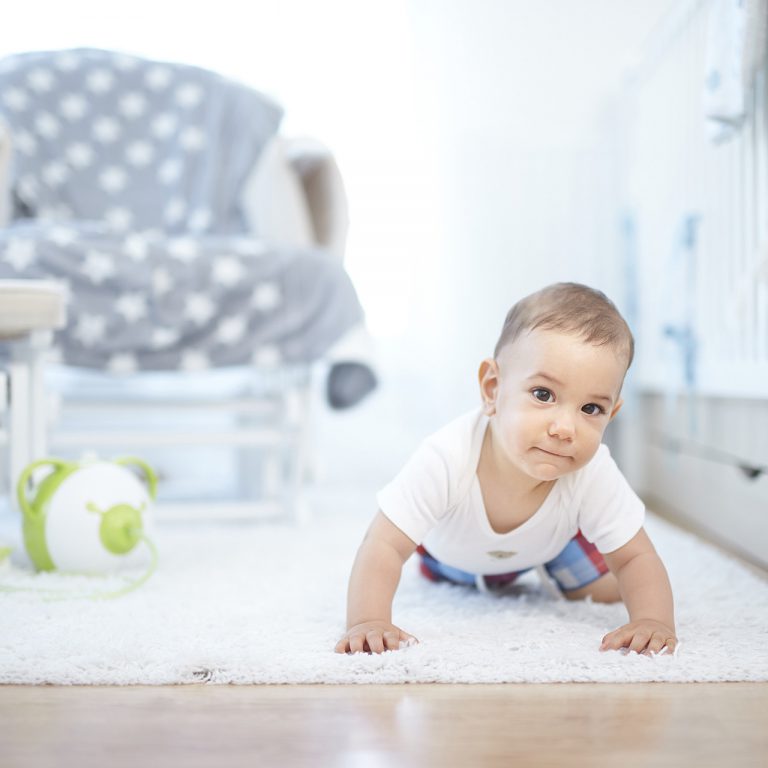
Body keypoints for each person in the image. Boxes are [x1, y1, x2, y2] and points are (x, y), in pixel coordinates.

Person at [335, 282, 677, 656]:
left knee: (606, 591)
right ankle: (460, 573)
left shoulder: (592, 470)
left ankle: (555, 574)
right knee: (444, 577)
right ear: (493, 389)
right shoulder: (447, 456)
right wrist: (368, 620)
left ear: (611, 414)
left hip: (549, 545)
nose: (565, 429)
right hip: (453, 555)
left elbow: (635, 557)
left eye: (590, 409)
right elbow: (382, 544)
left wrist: (653, 621)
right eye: (543, 395)